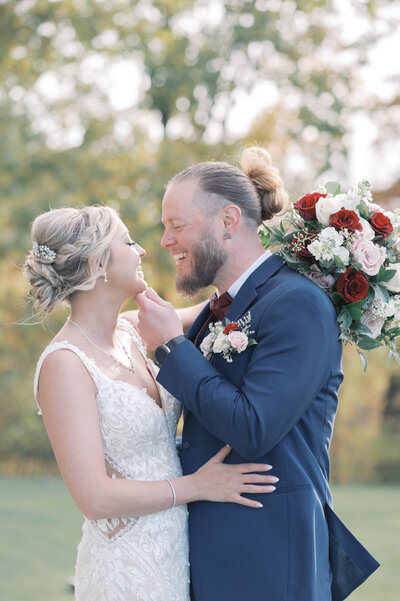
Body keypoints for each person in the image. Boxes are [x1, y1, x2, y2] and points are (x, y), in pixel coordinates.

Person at [135, 147, 380, 601]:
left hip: (270, 559)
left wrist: (170, 348)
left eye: (177, 225)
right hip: (211, 552)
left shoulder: (298, 303)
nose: (165, 240)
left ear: (229, 221)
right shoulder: (222, 306)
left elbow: (254, 427)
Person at [23, 205, 278, 601]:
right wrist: (197, 486)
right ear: (98, 263)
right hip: (123, 569)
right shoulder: (65, 364)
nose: (142, 250)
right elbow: (94, 497)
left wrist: (305, 249)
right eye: (128, 242)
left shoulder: (136, 329)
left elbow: (229, 303)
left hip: (176, 556)